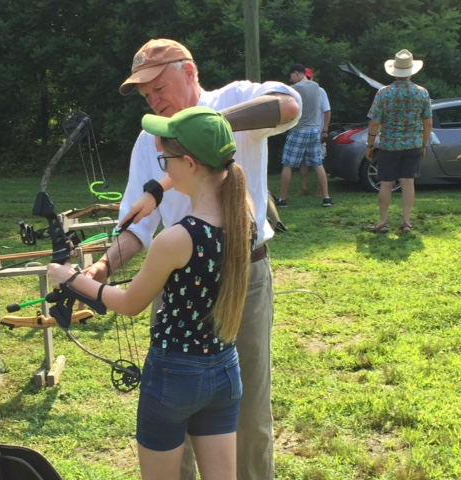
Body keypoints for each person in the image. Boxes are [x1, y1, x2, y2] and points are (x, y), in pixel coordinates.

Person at [84, 38, 301, 480]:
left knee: (248, 409)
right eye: (146, 96)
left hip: (244, 274)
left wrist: (206, 125)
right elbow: (139, 226)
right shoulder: (150, 138)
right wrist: (104, 266)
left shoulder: (236, 98)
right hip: (177, 282)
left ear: (188, 72)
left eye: (159, 87)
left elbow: (291, 106)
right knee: (174, 401)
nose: (154, 100)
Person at [49, 106, 254, 480]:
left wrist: (69, 279)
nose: (164, 169)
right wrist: (157, 190)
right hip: (225, 369)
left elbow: (129, 304)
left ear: (190, 164)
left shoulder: (177, 238)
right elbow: (210, 174)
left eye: (166, 161)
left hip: (173, 375)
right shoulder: (245, 215)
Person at [364, 49, 432, 234]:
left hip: (389, 145)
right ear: (411, 71)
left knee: (386, 184)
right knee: (408, 183)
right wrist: (424, 144)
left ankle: (383, 222)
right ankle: (406, 222)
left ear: (394, 70)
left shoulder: (384, 93)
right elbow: (427, 121)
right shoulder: (422, 93)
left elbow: (375, 121)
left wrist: (370, 145)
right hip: (413, 144)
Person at [276, 63, 333, 208]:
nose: (291, 80)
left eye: (291, 76)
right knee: (318, 164)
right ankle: (326, 198)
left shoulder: (294, 90)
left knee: (288, 164)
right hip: (314, 130)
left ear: (296, 73)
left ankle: (282, 199)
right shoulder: (316, 86)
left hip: (299, 130)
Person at [299, 67, 331, 196]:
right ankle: (304, 188)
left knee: (319, 161)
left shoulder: (320, 91)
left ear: (312, 78)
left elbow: (327, 110)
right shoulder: (298, 91)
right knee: (304, 161)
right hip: (303, 130)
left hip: (317, 132)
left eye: (309, 77)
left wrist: (325, 129)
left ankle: (320, 189)